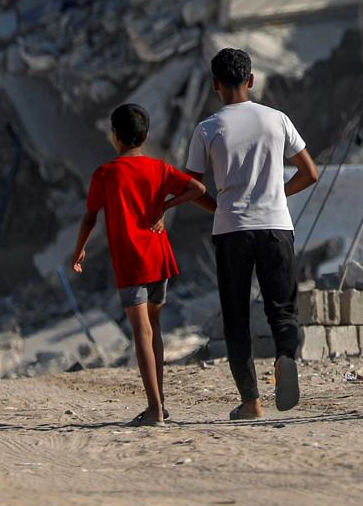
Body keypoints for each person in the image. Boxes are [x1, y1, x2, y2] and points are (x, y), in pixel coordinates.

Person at [184, 48, 320, 421]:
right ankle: (285, 356)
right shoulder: (277, 119)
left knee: (236, 315)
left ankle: (251, 401)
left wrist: (218, 207)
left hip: (231, 229)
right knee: (283, 308)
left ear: (215, 84)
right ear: (252, 80)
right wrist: (277, 194)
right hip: (276, 225)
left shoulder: (208, 128)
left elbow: (191, 186)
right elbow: (310, 172)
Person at [70, 102, 210, 426]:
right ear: (145, 136)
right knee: (154, 327)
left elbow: (90, 217)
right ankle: (159, 402)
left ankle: (154, 410)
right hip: (158, 256)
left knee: (141, 332)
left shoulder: (106, 174)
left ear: (115, 136)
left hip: (131, 261)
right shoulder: (159, 168)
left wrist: (80, 250)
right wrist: (167, 206)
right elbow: (198, 189)